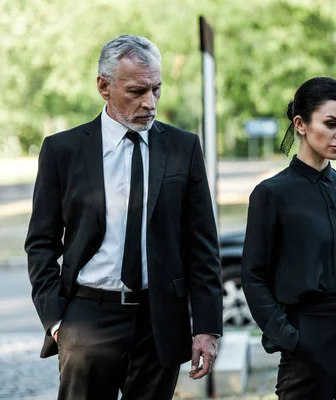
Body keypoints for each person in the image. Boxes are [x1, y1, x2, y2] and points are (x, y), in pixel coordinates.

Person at [24, 34, 223, 399]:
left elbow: (203, 246)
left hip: (160, 319)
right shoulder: (62, 150)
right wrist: (57, 322)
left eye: (157, 89)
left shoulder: (183, 148)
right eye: (137, 91)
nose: (150, 102)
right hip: (88, 318)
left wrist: (207, 328)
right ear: (104, 86)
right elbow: (41, 244)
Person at [241, 77, 336, 399]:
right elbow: (253, 277)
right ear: (301, 124)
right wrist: (290, 338)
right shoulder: (271, 194)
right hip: (309, 330)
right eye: (331, 123)